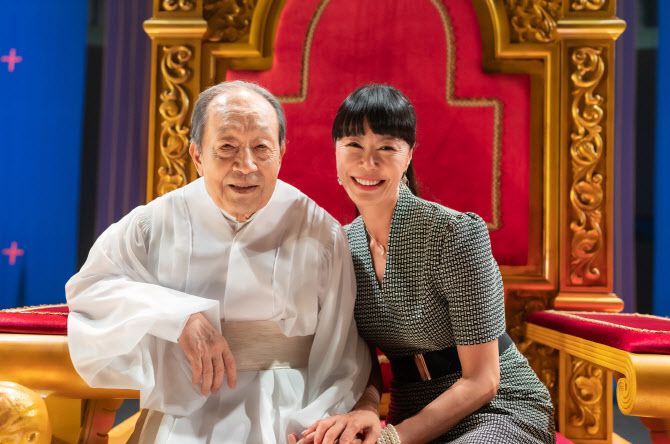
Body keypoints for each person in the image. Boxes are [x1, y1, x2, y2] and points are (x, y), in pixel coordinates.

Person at [66, 80, 371, 444]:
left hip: (287, 418)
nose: (246, 165)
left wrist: (316, 425)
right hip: (181, 420)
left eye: (261, 148)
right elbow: (91, 289)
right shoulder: (155, 223)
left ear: (282, 152)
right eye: (227, 147)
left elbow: (341, 352)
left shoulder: (321, 233)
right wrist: (180, 317)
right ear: (197, 155)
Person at [300, 84, 555, 444]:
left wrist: (392, 440)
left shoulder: (455, 233)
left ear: (408, 155)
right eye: (354, 145)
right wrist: (367, 409)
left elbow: (483, 380)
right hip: (411, 412)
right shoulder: (342, 245)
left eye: (386, 148)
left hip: (498, 408)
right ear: (336, 154)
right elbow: (362, 356)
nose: (368, 162)